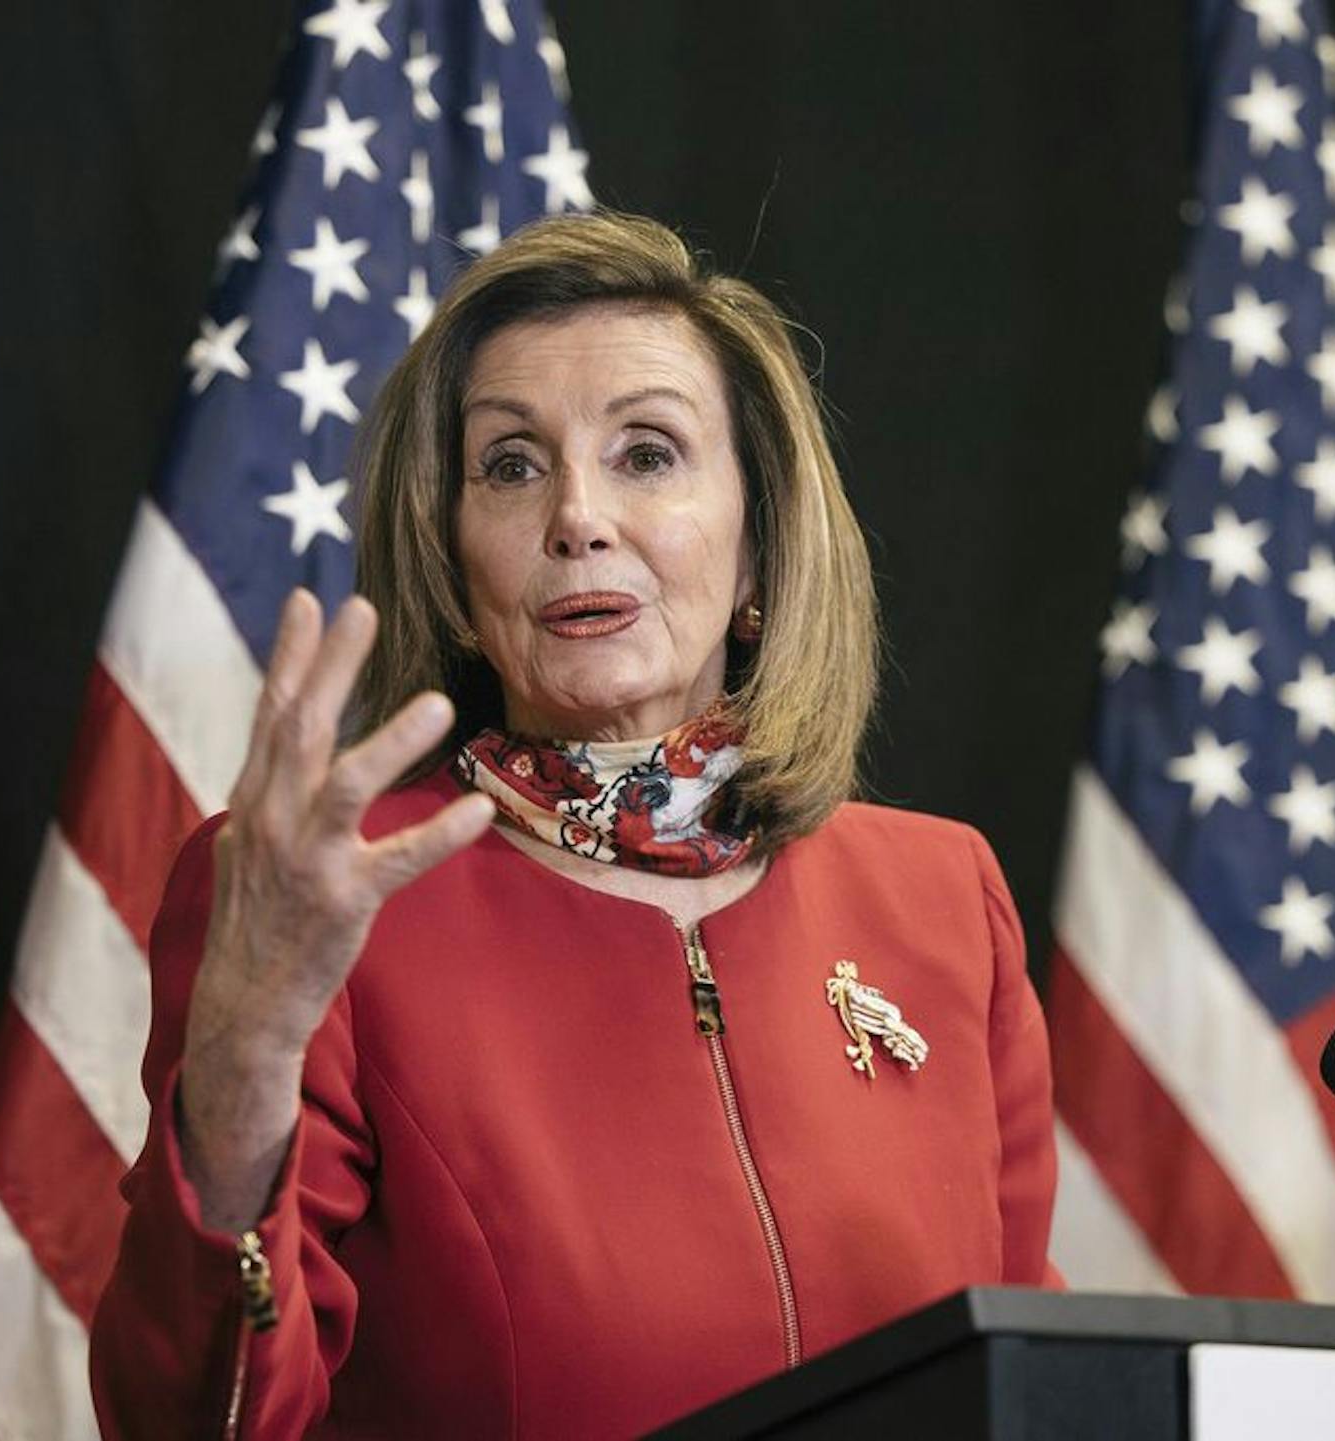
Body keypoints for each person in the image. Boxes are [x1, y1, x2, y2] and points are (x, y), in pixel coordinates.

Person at [90, 212, 1057, 1439]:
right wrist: (238, 1071)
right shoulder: (326, 897)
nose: (577, 517)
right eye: (510, 464)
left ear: (758, 545)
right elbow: (193, 1423)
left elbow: (1032, 1375)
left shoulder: (942, 898)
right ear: (450, 556)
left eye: (647, 453)